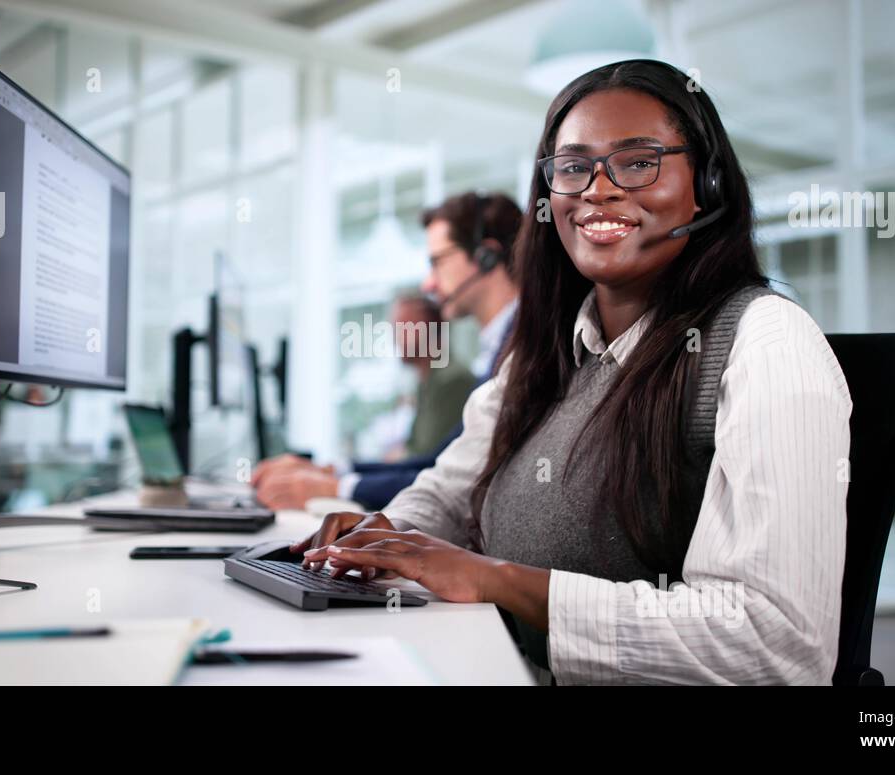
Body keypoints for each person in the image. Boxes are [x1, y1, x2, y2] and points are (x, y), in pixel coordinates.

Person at [290, 59, 852, 685]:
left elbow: (778, 643)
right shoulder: (549, 349)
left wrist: (497, 580)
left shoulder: (766, 341)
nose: (598, 189)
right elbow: (450, 490)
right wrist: (385, 532)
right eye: (573, 166)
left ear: (708, 186)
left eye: (639, 161)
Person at [252, 192, 522, 511]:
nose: (429, 285)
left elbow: (459, 477)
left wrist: (336, 486)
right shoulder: (496, 347)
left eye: (437, 262)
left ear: (485, 257)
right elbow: (439, 462)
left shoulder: (525, 347)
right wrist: (337, 472)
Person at [388, 292, 476, 460]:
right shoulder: (426, 383)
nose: (396, 338)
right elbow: (412, 447)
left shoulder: (453, 381)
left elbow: (427, 459)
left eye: (404, 328)